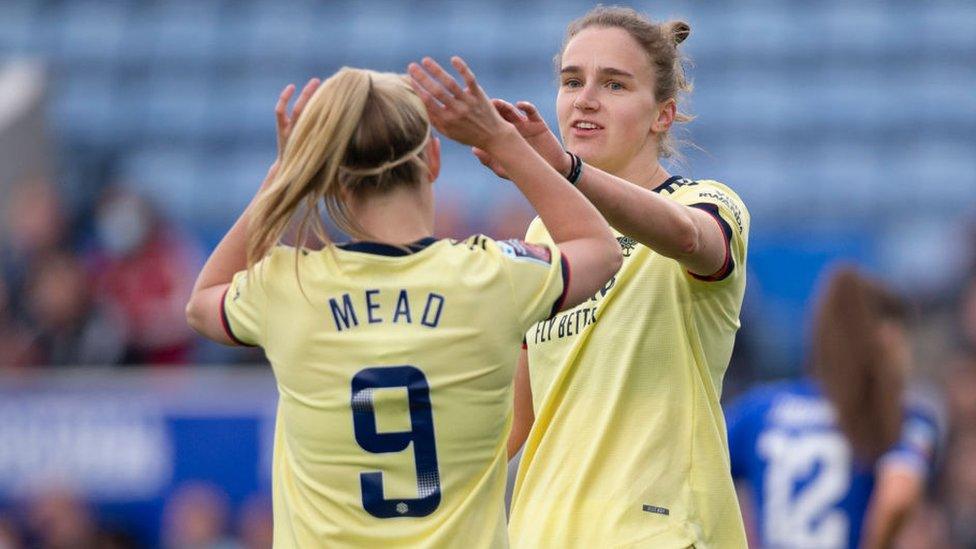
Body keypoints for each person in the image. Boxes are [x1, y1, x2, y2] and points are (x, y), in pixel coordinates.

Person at [185, 58, 621, 547]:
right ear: (433, 159)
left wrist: (285, 175)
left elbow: (202, 302)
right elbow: (601, 251)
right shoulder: (492, 276)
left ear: (326, 178)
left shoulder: (288, 286)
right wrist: (503, 141)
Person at [473, 6, 750, 546]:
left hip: (659, 532)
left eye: (615, 84)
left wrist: (564, 172)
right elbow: (515, 421)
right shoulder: (543, 235)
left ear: (662, 115)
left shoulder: (708, 203)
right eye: (572, 80)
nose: (585, 99)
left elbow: (692, 239)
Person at [725, 268, 942, 549]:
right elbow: (897, 497)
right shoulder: (903, 417)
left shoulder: (760, 409)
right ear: (885, 342)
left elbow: (697, 469)